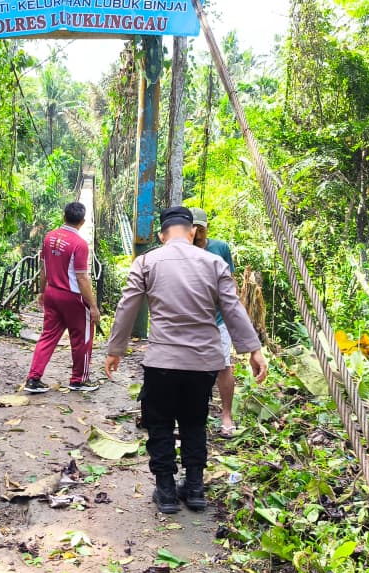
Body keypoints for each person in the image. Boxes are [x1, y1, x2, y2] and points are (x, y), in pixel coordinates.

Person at [104, 206, 267, 514]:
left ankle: (165, 491)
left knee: (160, 422)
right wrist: (253, 350)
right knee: (194, 422)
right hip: (203, 362)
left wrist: (116, 350)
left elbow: (127, 307)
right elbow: (232, 309)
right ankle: (194, 489)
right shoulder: (214, 262)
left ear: (162, 235)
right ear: (192, 232)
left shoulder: (146, 261)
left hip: (162, 361)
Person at [24, 201, 101, 393]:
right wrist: (93, 306)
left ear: (63, 217)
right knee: (82, 337)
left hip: (51, 293)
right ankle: (79, 380)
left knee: (48, 336)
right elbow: (82, 277)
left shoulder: (49, 237)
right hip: (72, 297)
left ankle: (33, 379)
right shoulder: (80, 244)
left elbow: (43, 268)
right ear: (82, 222)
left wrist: (41, 292)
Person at [189, 207, 238, 437]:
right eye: (193, 226)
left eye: (201, 226)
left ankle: (226, 414)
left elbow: (230, 281)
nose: (197, 231)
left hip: (218, 317)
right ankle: (192, 412)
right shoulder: (181, 250)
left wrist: (233, 310)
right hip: (191, 318)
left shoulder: (220, 248)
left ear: (206, 227)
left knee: (223, 364)